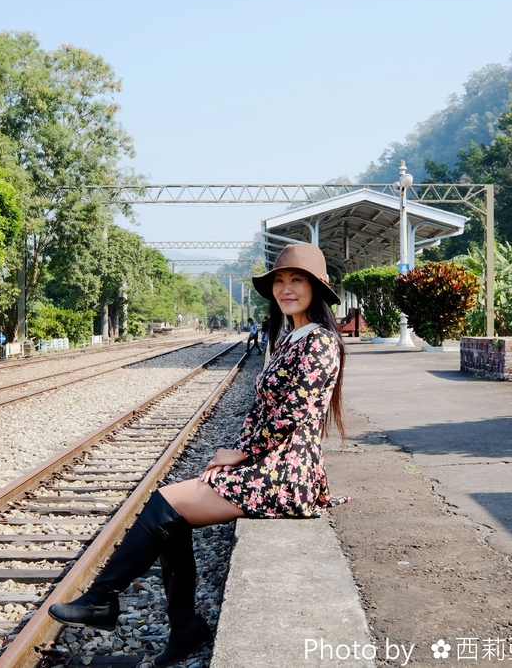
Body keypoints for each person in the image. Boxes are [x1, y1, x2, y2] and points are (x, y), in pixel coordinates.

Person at [48, 243, 348, 666]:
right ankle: (182, 626)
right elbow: (263, 409)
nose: (286, 289)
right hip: (272, 465)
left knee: (167, 503)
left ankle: (104, 598)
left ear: (317, 288)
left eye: (297, 280)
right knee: (171, 514)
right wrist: (235, 451)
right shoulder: (287, 337)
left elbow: (289, 417)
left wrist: (241, 452)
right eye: (279, 281)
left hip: (287, 473)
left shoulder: (318, 343)